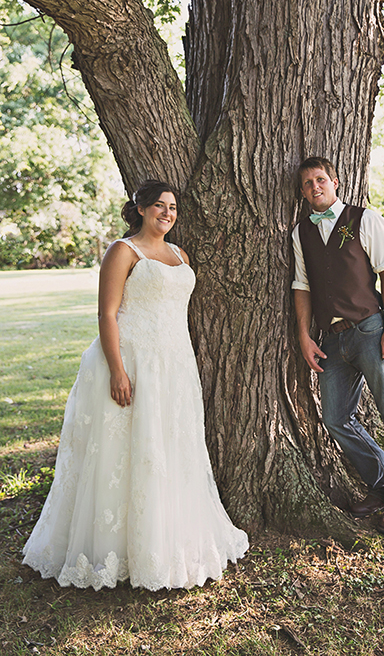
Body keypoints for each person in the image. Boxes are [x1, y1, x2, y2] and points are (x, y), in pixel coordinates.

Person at [23, 180, 248, 590]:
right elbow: (107, 315)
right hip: (131, 361)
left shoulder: (181, 254)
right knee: (123, 454)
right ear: (141, 209)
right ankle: (116, 550)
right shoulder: (122, 251)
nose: (167, 213)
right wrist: (118, 370)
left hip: (174, 365)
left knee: (168, 450)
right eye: (159, 206)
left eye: (173, 207)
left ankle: (167, 542)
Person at [292, 158, 384, 535]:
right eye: (307, 183)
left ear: (334, 181)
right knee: (335, 418)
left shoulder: (365, 219)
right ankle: (383, 483)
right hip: (330, 339)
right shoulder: (300, 232)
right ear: (302, 192)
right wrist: (304, 335)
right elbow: (302, 286)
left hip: (369, 329)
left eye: (320, 179)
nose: (315, 186)